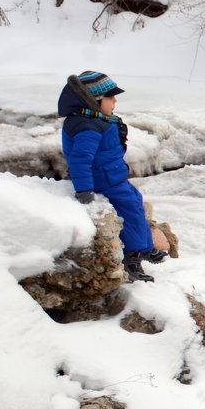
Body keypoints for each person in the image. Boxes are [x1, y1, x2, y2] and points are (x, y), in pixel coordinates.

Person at [57, 70, 167, 283]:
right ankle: (131, 258)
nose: (115, 101)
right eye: (111, 97)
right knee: (131, 210)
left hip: (112, 177)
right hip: (103, 180)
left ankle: (144, 247)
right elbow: (80, 159)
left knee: (136, 202)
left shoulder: (95, 120)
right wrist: (84, 189)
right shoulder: (86, 126)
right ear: (95, 100)